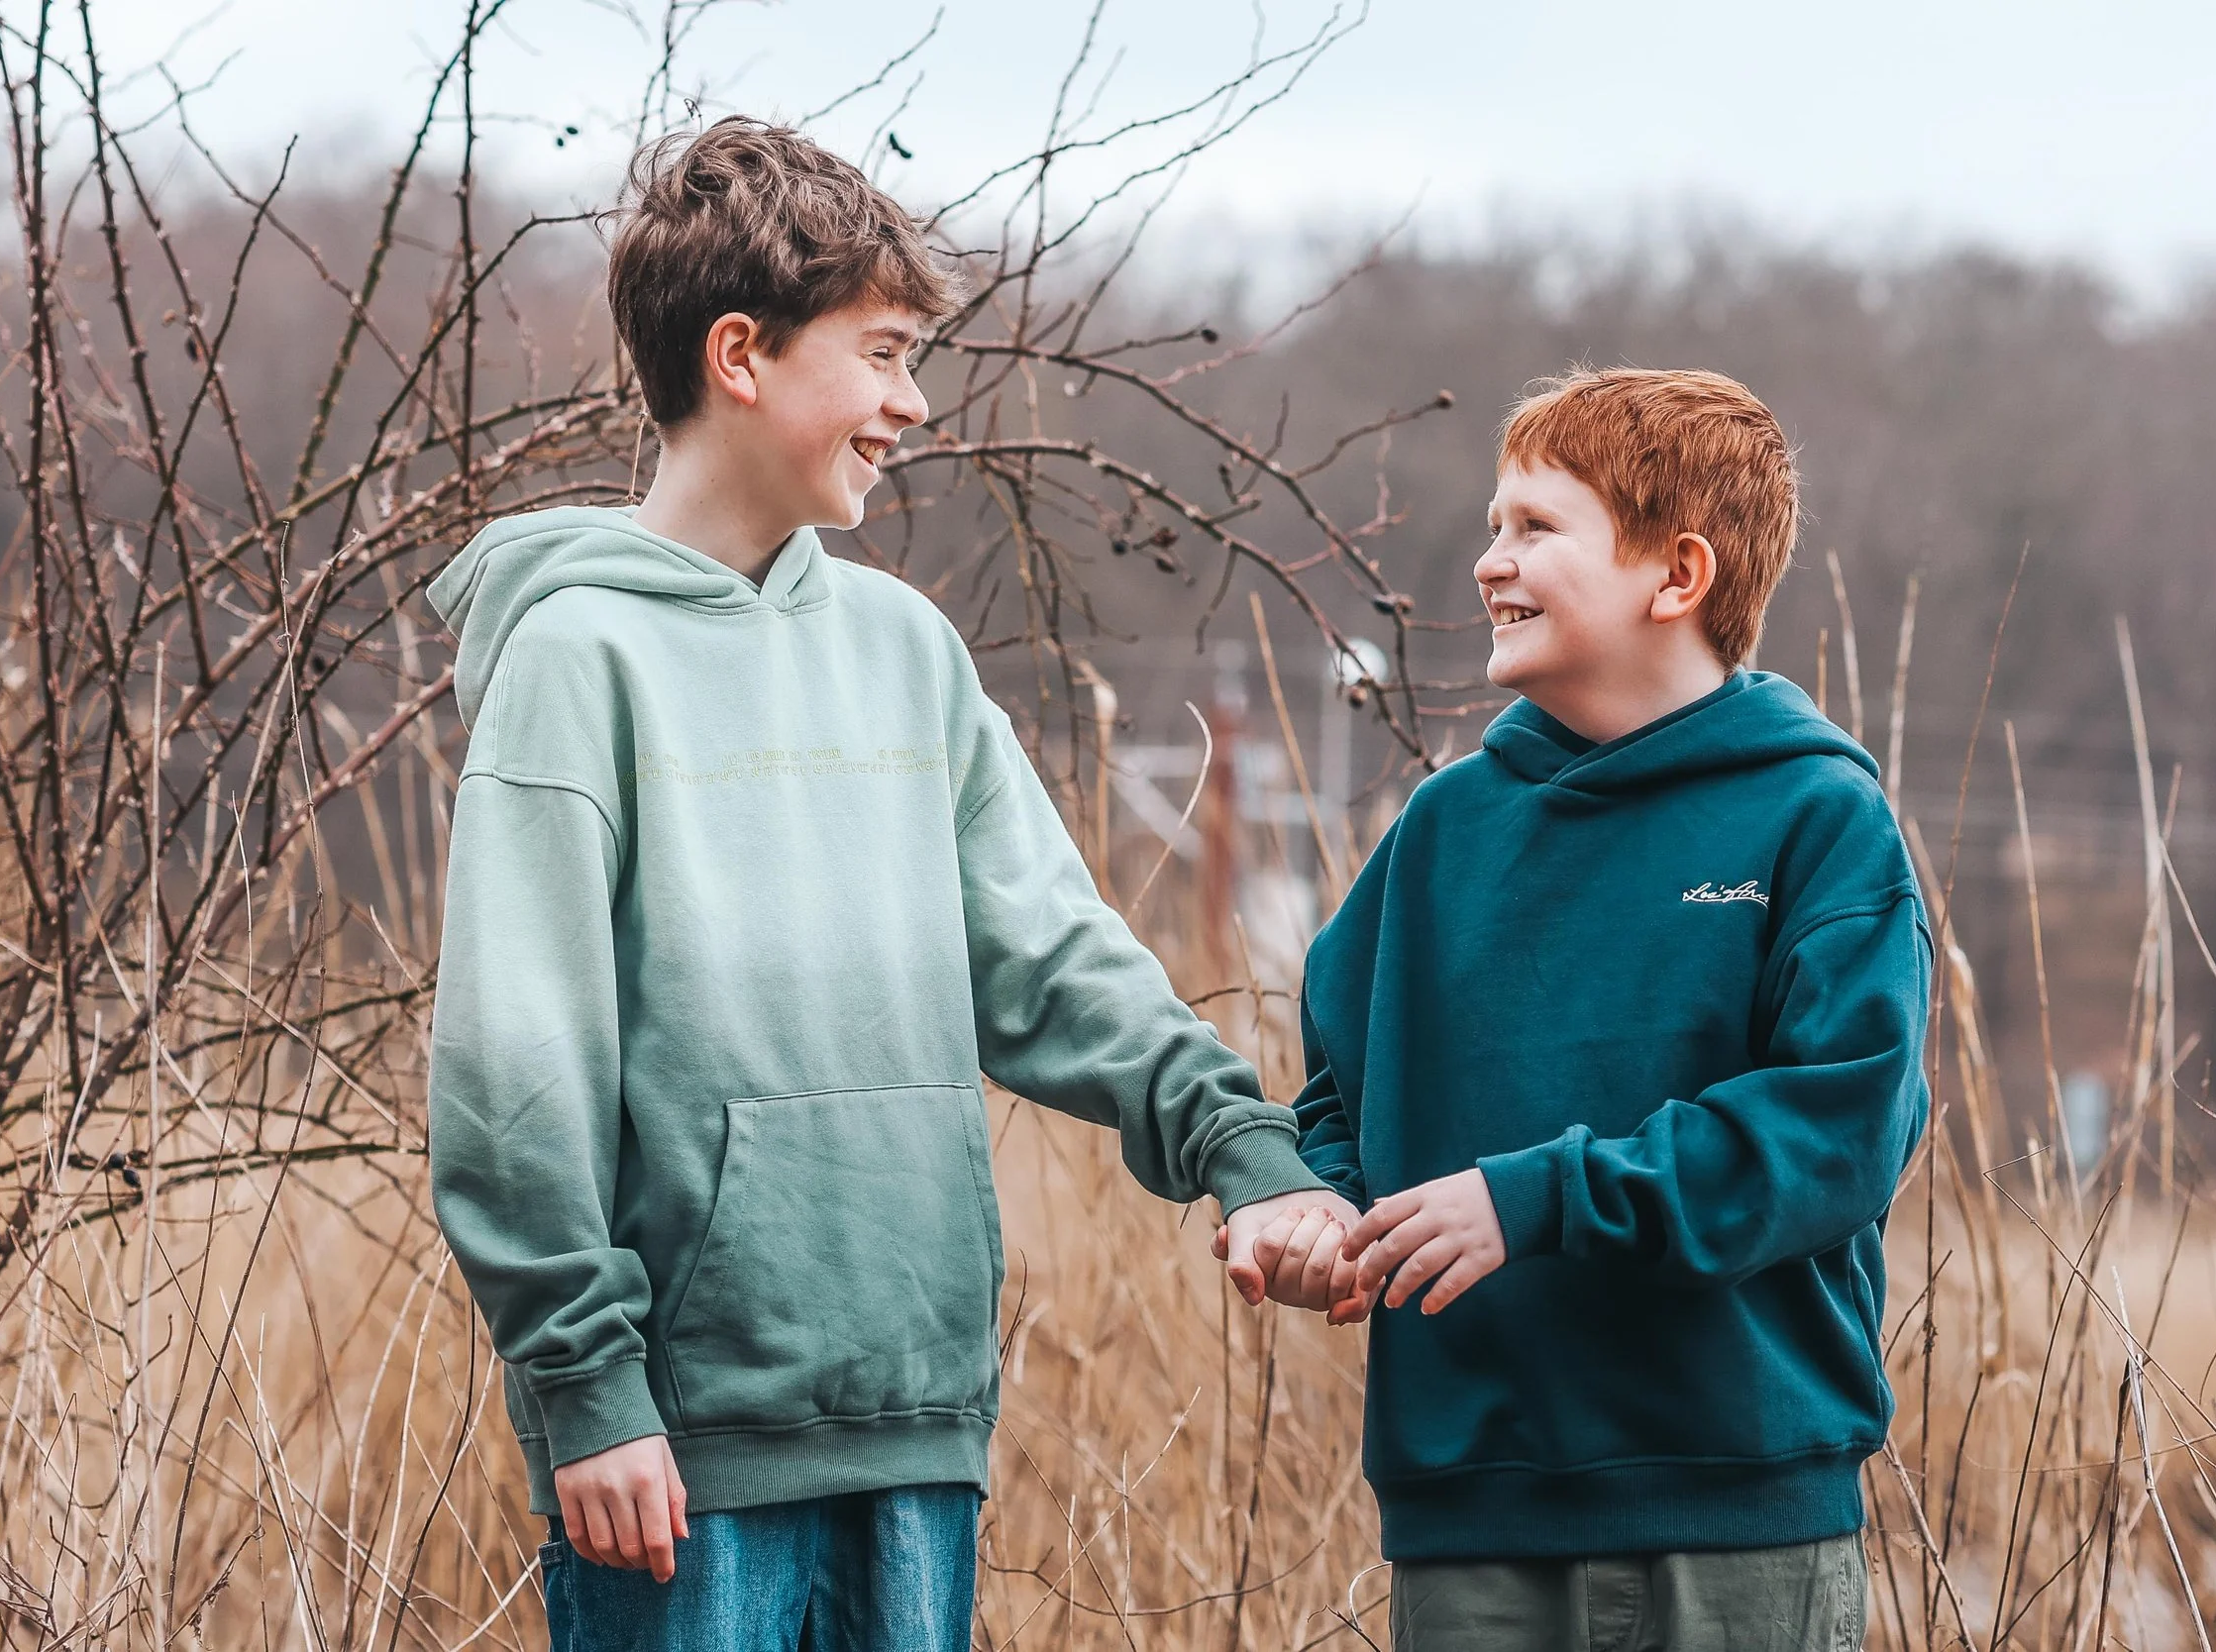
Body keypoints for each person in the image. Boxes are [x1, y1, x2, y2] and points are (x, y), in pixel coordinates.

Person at [424, 116, 1342, 1651]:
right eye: (885, 355)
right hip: (678, 1456)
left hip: (917, 1424)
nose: (914, 403)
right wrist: (587, 1386)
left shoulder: (903, 648)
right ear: (741, 355)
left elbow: (1051, 959)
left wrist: (1241, 1142)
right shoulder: (578, 659)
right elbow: (516, 1069)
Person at [1252, 367, 1932, 1650]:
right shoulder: (1442, 832)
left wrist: (1539, 1200)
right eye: (1492, 525)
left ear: (1677, 575)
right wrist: (1324, 1214)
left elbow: (1836, 1131)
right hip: (1472, 1522)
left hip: (1740, 1516)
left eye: (1535, 527)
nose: (1488, 562)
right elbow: (1342, 1090)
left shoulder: (1818, 820)